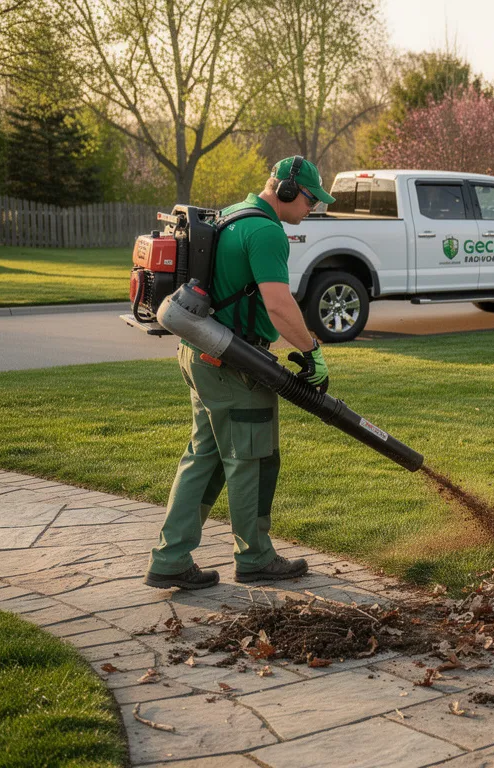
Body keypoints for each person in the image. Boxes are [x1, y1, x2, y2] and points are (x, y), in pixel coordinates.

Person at [145, 157, 336, 589]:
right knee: (252, 460)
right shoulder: (266, 230)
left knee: (204, 458)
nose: (312, 208)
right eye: (310, 200)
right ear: (287, 191)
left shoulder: (232, 214)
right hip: (235, 363)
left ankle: (171, 557)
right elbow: (278, 304)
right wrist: (312, 352)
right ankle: (255, 558)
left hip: (200, 352)